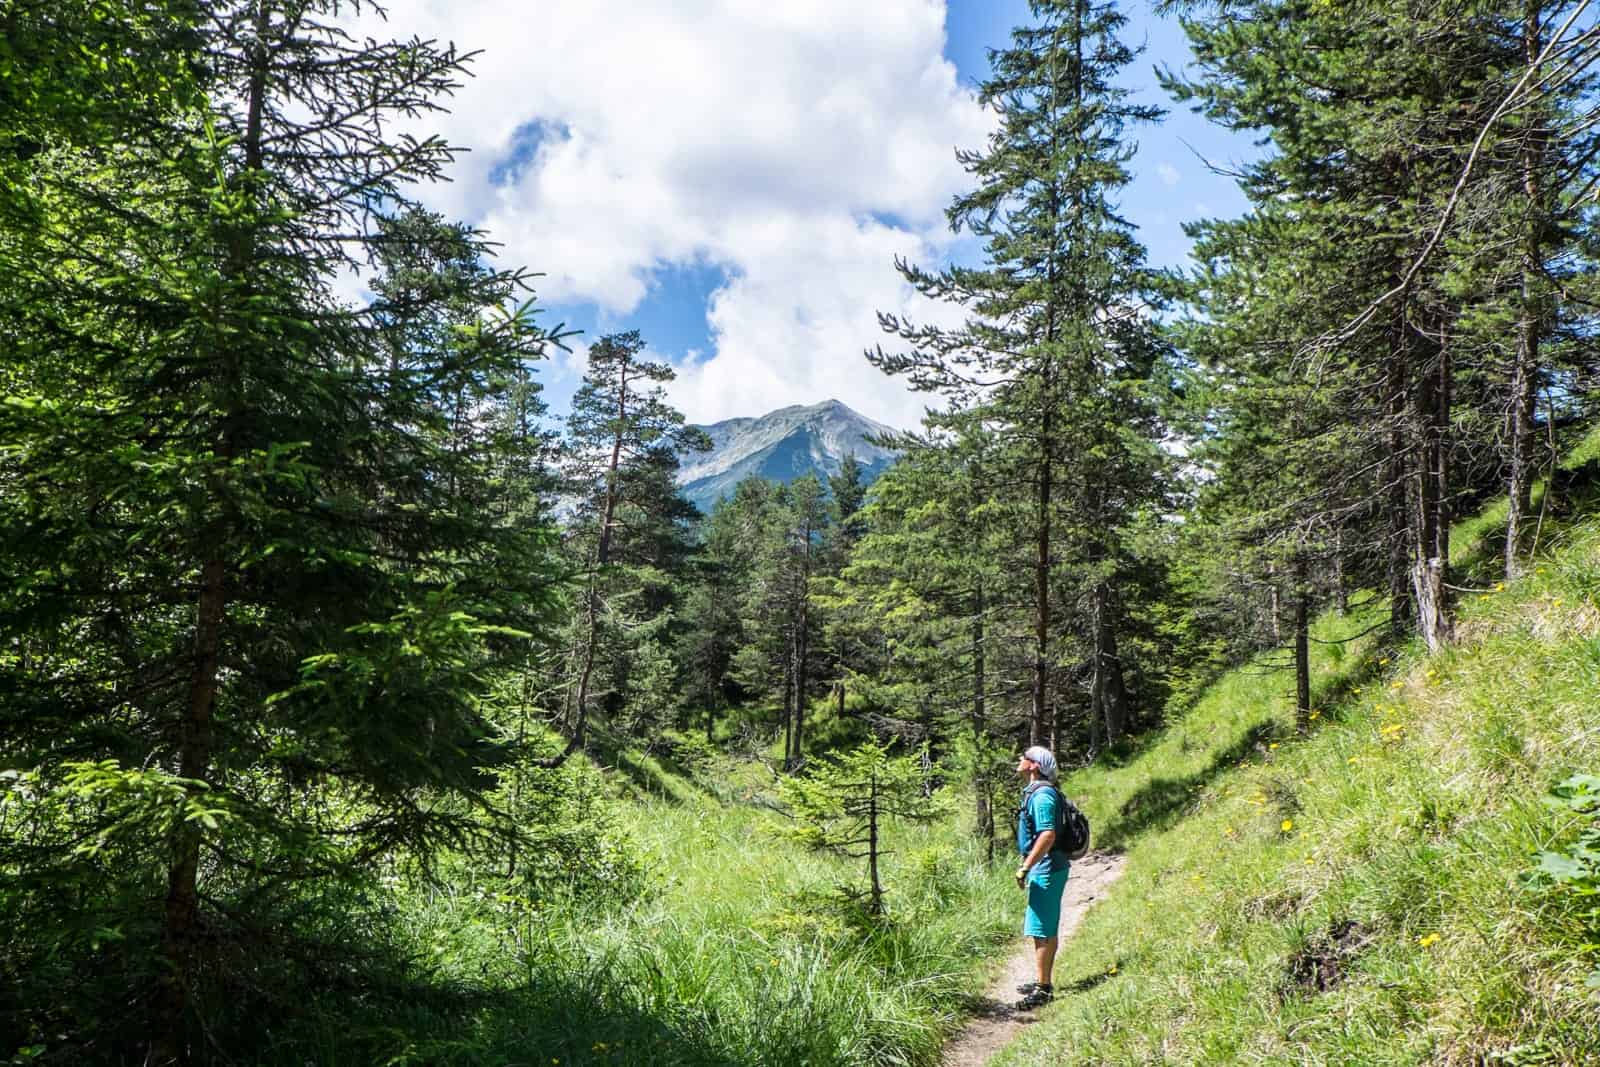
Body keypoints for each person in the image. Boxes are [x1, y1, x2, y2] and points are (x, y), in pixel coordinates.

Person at [1013, 744, 1069, 1010]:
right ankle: (1041, 978)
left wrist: (1026, 866)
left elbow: (1047, 834)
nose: (1020, 760)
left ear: (1034, 765)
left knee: (1043, 928)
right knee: (1041, 927)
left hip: (1046, 867)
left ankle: (1044, 989)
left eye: (1024, 758)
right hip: (1047, 866)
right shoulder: (1038, 792)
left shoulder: (1042, 796)